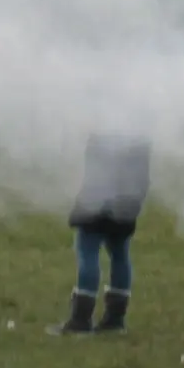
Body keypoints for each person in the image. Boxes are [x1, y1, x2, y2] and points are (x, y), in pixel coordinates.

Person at [48, 134, 152, 335]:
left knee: (87, 251)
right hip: (129, 199)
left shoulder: (104, 126)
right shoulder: (141, 129)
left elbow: (94, 167)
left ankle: (81, 320)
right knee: (120, 254)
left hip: (97, 197)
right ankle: (115, 320)